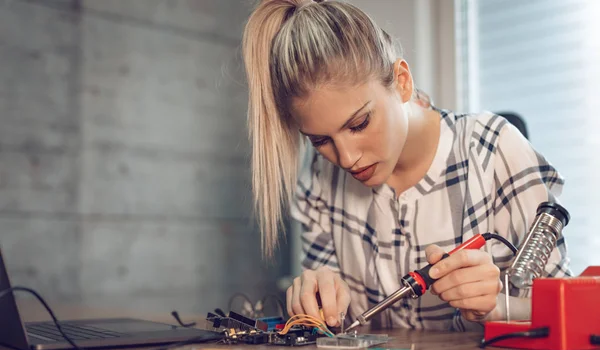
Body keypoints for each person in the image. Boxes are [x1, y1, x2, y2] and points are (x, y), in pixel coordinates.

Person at [241, 0, 571, 332]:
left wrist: (498, 306)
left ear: (402, 82)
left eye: (359, 124)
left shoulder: (495, 149)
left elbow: (571, 310)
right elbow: (335, 331)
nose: (346, 158)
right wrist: (316, 302)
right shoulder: (319, 176)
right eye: (319, 140)